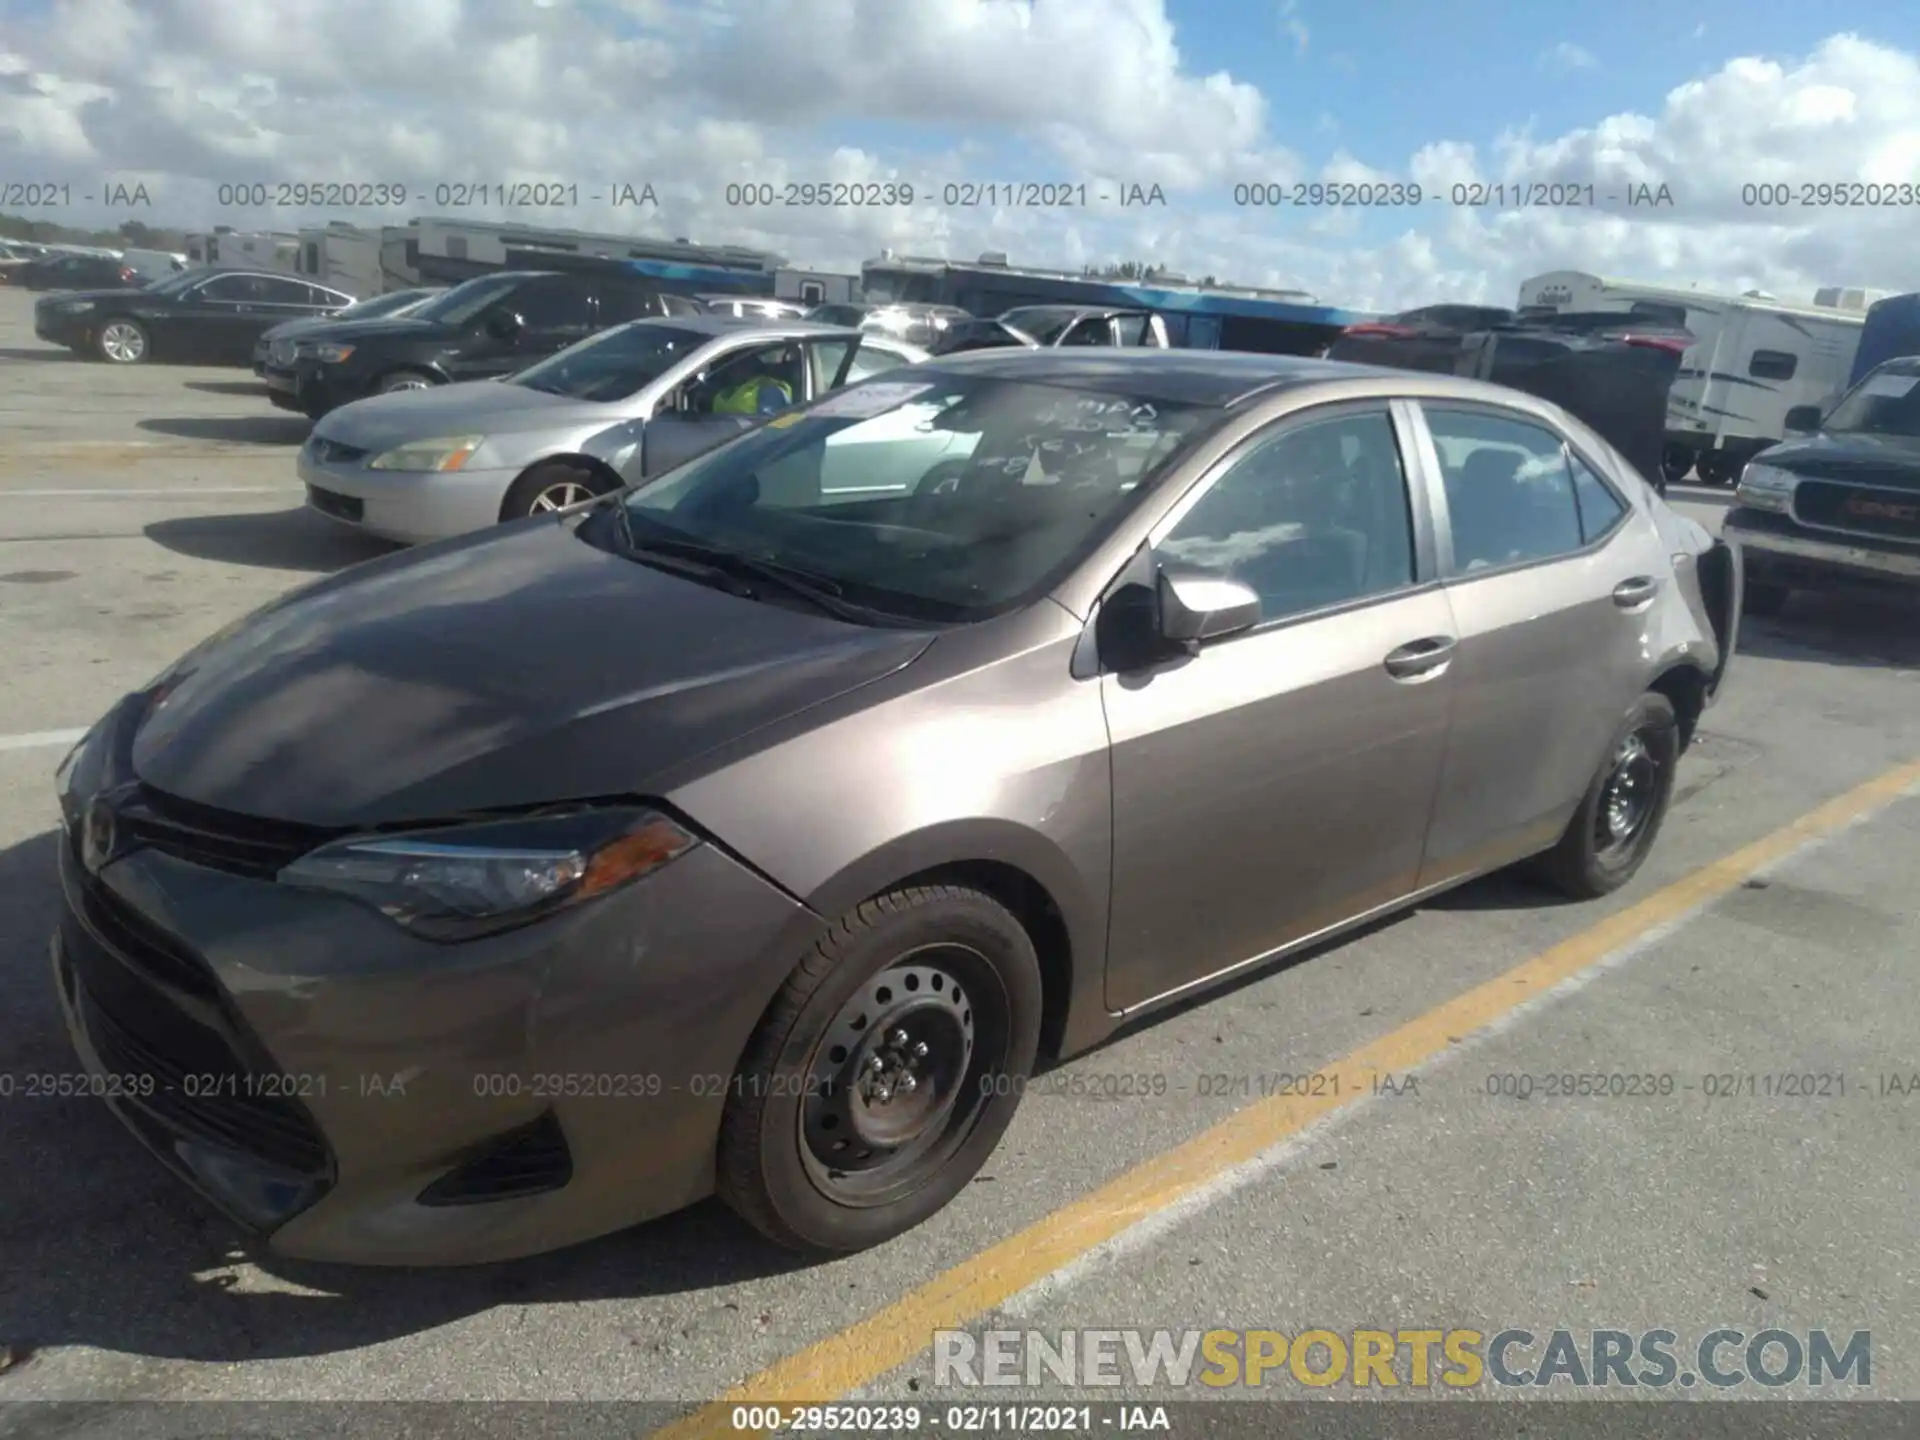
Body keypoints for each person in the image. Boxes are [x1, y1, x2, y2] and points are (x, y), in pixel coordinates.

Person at [710, 352, 796, 415]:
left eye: (739, 362)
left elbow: (768, 429)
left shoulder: (769, 390)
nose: (731, 367)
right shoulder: (727, 389)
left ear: (750, 365)